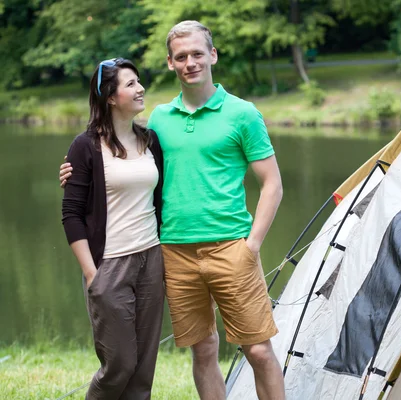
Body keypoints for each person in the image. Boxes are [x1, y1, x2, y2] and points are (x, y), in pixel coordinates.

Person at [60, 21, 285, 400]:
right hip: (174, 253)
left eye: (198, 54)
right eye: (181, 57)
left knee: (259, 350)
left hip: (232, 246)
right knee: (204, 349)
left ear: (212, 55)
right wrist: (74, 170)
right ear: (170, 63)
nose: (190, 62)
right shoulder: (160, 121)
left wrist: (252, 246)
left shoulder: (243, 114)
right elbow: (118, 153)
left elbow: (273, 184)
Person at [61, 58, 164, 399]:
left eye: (139, 82)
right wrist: (92, 274)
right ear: (109, 96)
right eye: (131, 83)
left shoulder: (151, 141)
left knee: (143, 370)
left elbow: (160, 200)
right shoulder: (85, 146)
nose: (140, 88)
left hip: (151, 260)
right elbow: (71, 213)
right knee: (119, 363)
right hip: (109, 265)